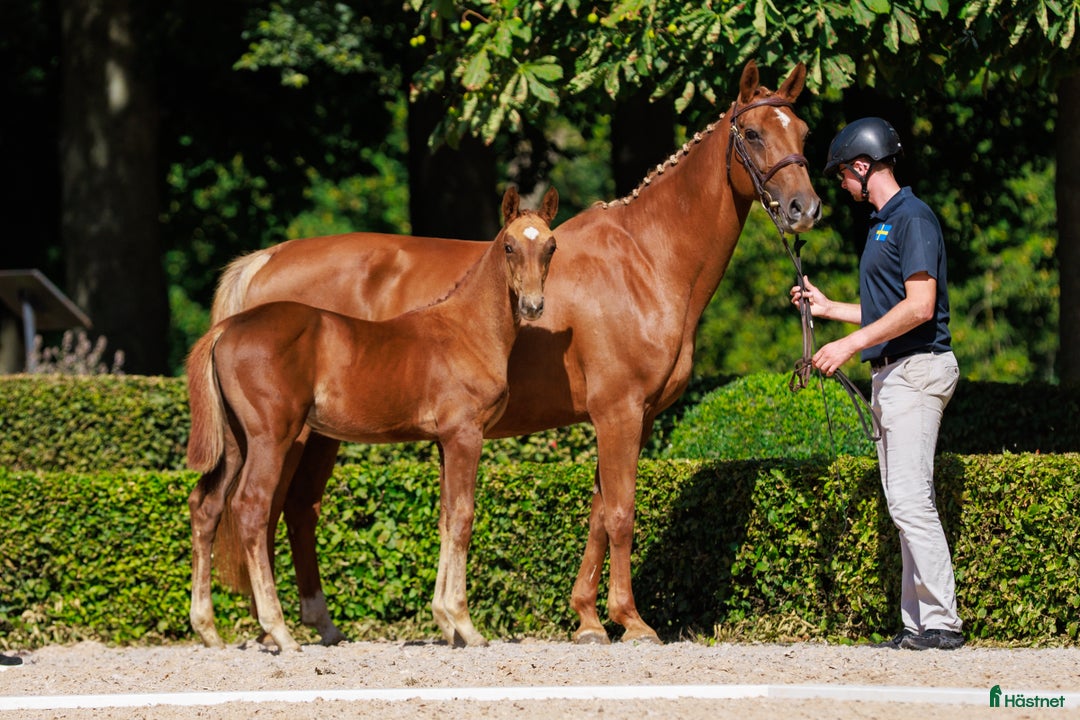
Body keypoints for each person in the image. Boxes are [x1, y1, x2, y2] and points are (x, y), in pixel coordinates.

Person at [791, 117, 963, 651]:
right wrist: (828, 309)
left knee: (911, 500)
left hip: (916, 369)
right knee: (902, 501)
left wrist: (846, 345)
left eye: (842, 174)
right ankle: (918, 625)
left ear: (863, 167)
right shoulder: (883, 223)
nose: (840, 185)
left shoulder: (912, 218)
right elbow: (886, 308)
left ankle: (942, 623)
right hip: (894, 370)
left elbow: (920, 307)